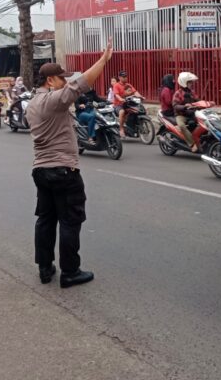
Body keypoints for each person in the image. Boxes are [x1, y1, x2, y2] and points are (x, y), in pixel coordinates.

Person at [26, 41, 113, 288]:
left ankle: (45, 268)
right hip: (63, 170)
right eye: (61, 78)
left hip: (41, 170)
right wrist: (104, 60)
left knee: (45, 219)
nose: (65, 81)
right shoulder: (52, 100)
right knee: (69, 221)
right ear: (51, 81)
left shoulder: (32, 104)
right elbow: (81, 83)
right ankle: (70, 272)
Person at [173, 72, 204, 153]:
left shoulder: (192, 92)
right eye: (189, 82)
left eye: (191, 82)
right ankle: (192, 143)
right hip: (181, 114)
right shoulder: (178, 93)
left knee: (204, 122)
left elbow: (198, 100)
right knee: (182, 125)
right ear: (184, 82)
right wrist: (184, 106)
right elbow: (175, 105)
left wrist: (205, 103)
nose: (191, 84)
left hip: (191, 113)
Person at [112, 71, 141, 138]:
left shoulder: (128, 85)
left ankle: (133, 127)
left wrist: (140, 96)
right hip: (118, 105)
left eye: (126, 77)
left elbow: (135, 92)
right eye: (123, 77)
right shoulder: (116, 85)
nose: (125, 78)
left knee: (136, 110)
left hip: (128, 104)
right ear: (119, 77)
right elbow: (116, 95)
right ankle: (121, 129)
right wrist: (120, 99)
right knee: (122, 112)